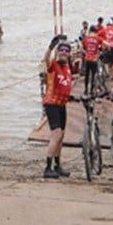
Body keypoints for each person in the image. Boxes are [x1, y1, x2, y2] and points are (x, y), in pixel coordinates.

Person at [39, 40, 75, 178]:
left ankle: (57, 165)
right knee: (56, 134)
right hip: (52, 103)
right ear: (57, 52)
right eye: (62, 50)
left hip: (62, 104)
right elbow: (45, 59)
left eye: (67, 51)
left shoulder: (67, 67)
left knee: (62, 136)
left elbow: (65, 84)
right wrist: (50, 47)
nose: (64, 53)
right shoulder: (53, 64)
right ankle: (47, 167)